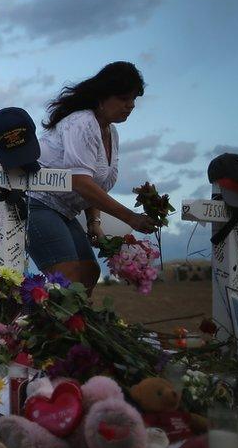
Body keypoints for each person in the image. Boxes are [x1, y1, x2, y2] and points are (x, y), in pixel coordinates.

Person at [26, 61, 157, 295]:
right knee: (69, 279)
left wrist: (94, 222)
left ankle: (70, 327)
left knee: (88, 274)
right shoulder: (82, 122)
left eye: (134, 99)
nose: (131, 106)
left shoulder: (111, 132)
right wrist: (131, 218)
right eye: (124, 98)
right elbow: (80, 182)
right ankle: (35, 327)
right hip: (37, 202)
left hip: (64, 210)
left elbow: (92, 184)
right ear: (103, 96)